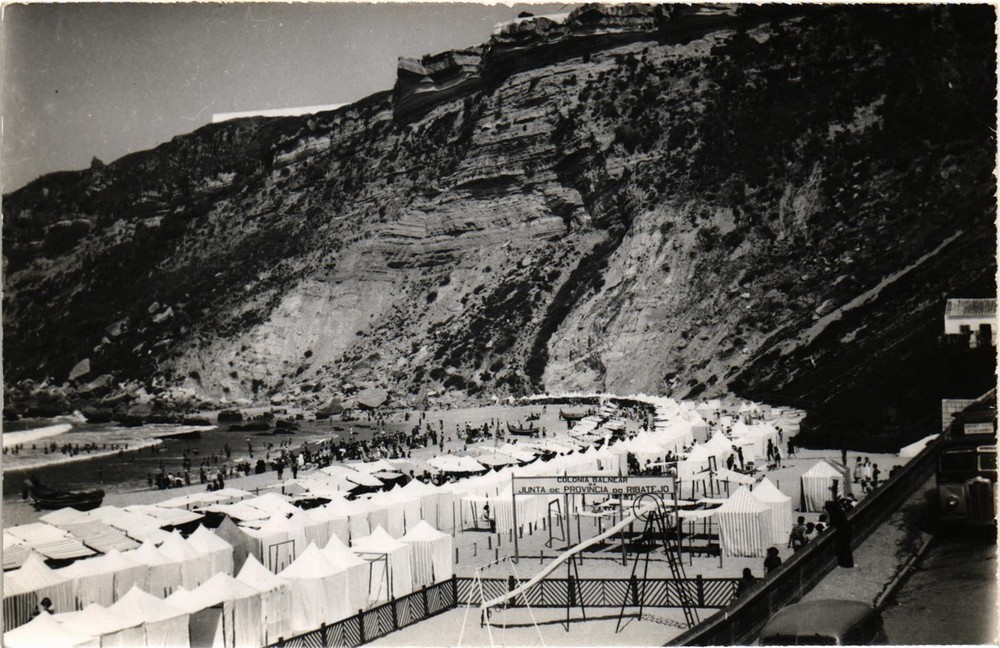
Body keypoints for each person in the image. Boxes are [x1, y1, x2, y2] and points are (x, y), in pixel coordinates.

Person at [825, 499, 854, 568]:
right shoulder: (839, 511)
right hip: (847, 530)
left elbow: (832, 523)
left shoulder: (834, 513)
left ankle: (845, 563)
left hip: (842, 532)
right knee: (846, 548)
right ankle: (848, 563)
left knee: (843, 548)